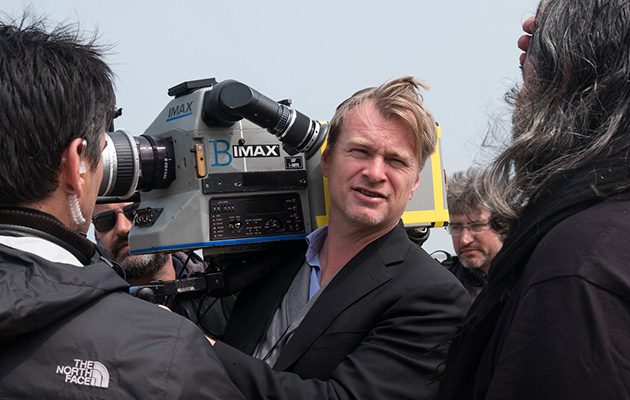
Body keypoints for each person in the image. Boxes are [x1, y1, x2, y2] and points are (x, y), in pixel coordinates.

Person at [0, 17, 244, 399]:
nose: (125, 227)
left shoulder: (223, 302)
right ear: (77, 166)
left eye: (136, 212)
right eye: (103, 152)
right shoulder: (166, 355)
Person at [210, 76, 470, 400]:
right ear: (327, 160)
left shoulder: (433, 296)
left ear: (415, 182)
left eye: (396, 160)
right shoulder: (274, 260)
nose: (375, 173)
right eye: (360, 151)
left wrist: (201, 349)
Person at [438, 0, 630, 398]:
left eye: (539, 37)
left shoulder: (577, 265)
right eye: (456, 226)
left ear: (564, 73)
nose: (523, 50)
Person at [92, 202, 233, 337]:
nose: (123, 228)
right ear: (96, 236)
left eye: (137, 212)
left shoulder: (229, 288)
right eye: (105, 220)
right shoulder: (89, 312)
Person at [444, 168, 507, 300]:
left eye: (476, 226)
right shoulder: (442, 285)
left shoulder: (531, 274)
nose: (464, 240)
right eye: (456, 227)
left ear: (502, 224)